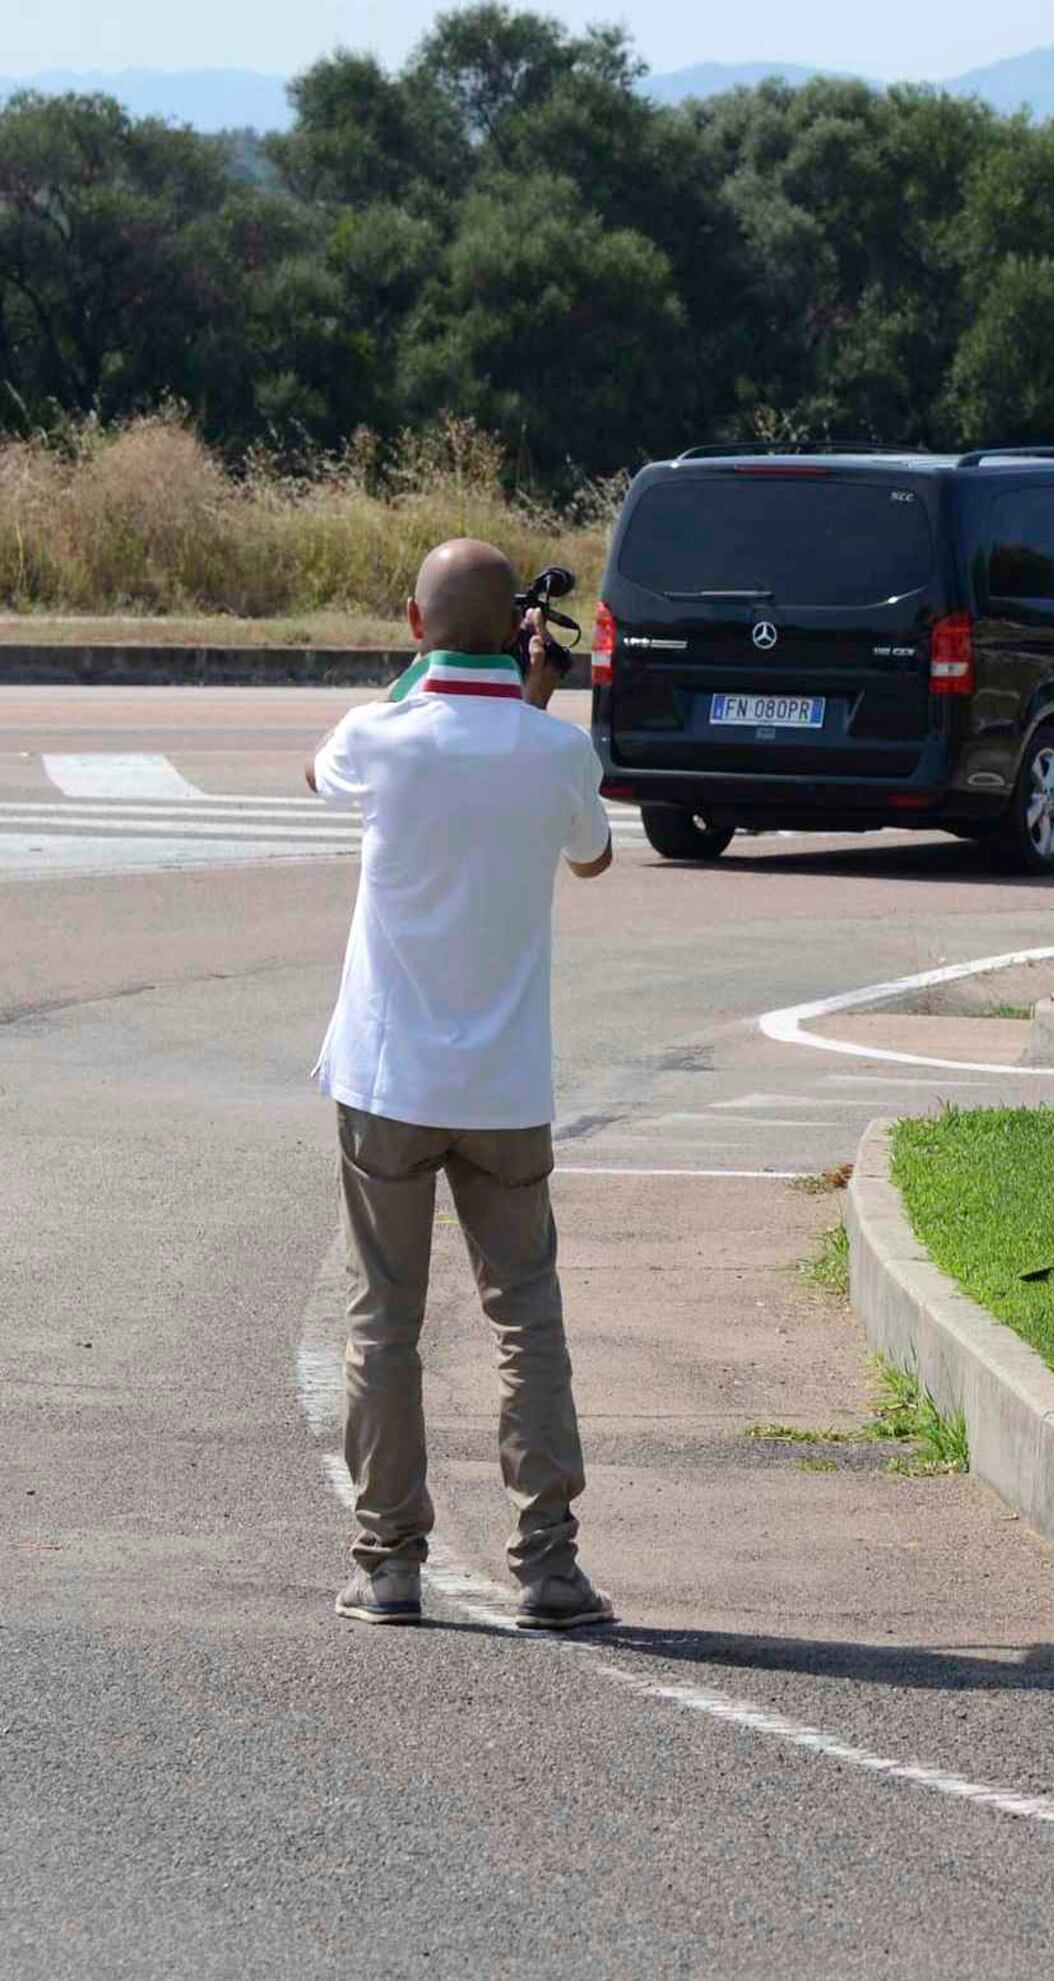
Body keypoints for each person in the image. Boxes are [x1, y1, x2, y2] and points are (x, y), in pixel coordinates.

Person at [307, 538, 618, 1631]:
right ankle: (548, 1567)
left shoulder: (377, 737)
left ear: (411, 625)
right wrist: (532, 700)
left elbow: (320, 769)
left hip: (386, 1079)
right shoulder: (550, 751)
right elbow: (591, 856)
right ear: (519, 637)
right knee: (525, 1316)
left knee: (383, 1320)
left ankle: (389, 1560)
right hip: (505, 1087)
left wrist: (435, 671)